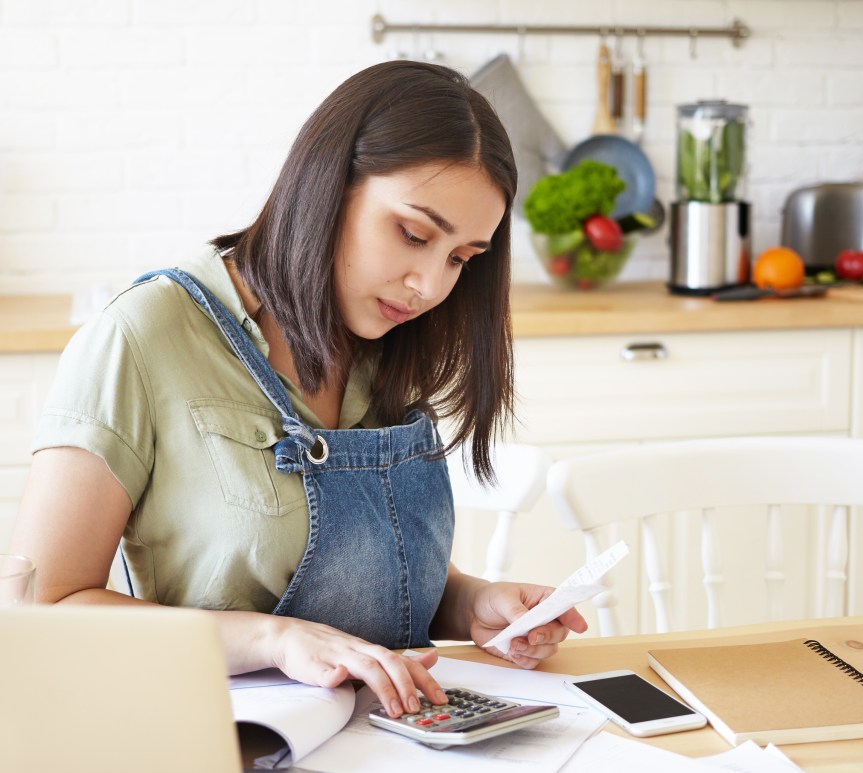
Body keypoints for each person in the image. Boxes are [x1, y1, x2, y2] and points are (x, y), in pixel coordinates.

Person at [12, 60, 586, 719]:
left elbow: (359, 582)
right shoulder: (141, 337)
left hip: (394, 744)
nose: (429, 286)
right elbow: (43, 611)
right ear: (328, 184)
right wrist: (272, 638)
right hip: (219, 739)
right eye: (413, 234)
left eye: (460, 259)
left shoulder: (387, 343)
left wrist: (469, 602)